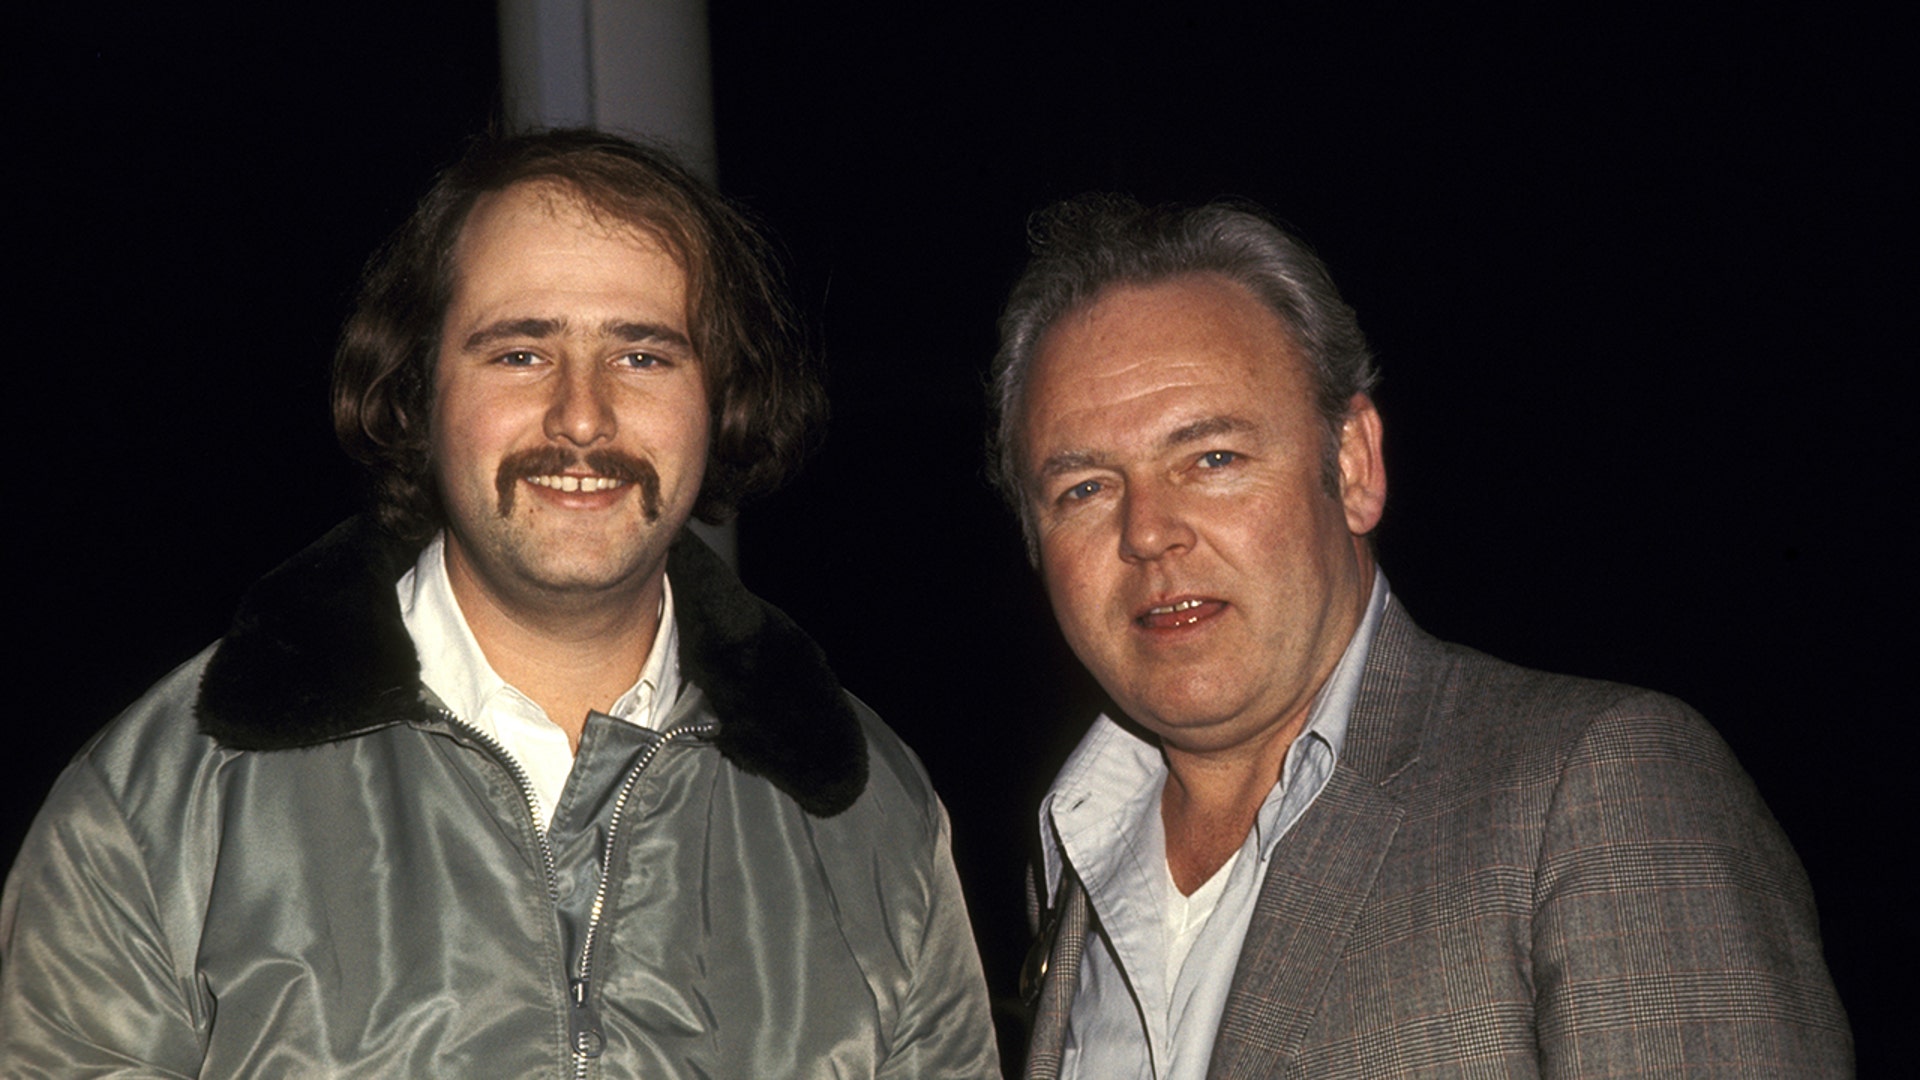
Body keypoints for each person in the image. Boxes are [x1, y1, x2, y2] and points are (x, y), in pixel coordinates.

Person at [1, 129, 999, 1078]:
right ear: (417, 392)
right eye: (520, 352)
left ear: (722, 400)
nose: (581, 415)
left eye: (643, 354)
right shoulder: (159, 809)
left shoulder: (873, 820)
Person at [990, 194, 1851, 1078]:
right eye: (1086, 489)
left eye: (1213, 459)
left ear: (1354, 466)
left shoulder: (1597, 788)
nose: (1148, 531)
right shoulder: (1068, 877)